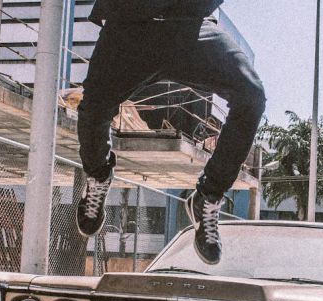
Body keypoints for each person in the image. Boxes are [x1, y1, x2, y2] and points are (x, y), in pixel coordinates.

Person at [75, 0, 266, 265]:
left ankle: (208, 196)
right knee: (94, 105)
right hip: (129, 27)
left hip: (191, 27)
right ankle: (98, 176)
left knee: (251, 95)